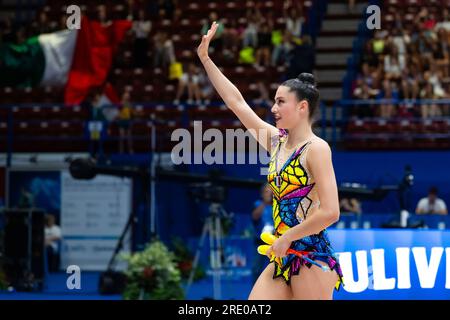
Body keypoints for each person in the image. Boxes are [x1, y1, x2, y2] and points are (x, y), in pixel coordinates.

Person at [197, 21, 343, 300]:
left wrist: (288, 237)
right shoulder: (276, 141)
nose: (273, 108)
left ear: (302, 107)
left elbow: (331, 212)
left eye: (280, 102)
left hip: (311, 253)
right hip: (282, 253)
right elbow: (237, 103)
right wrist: (206, 59)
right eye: (274, 102)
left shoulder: (317, 148)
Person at [251, 184, 274, 283]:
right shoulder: (257, 204)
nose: (269, 194)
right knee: (256, 269)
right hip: (260, 241)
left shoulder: (277, 205)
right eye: (266, 191)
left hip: (275, 241)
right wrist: (265, 203)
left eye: (271, 191)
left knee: (275, 268)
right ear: (262, 194)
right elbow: (254, 217)